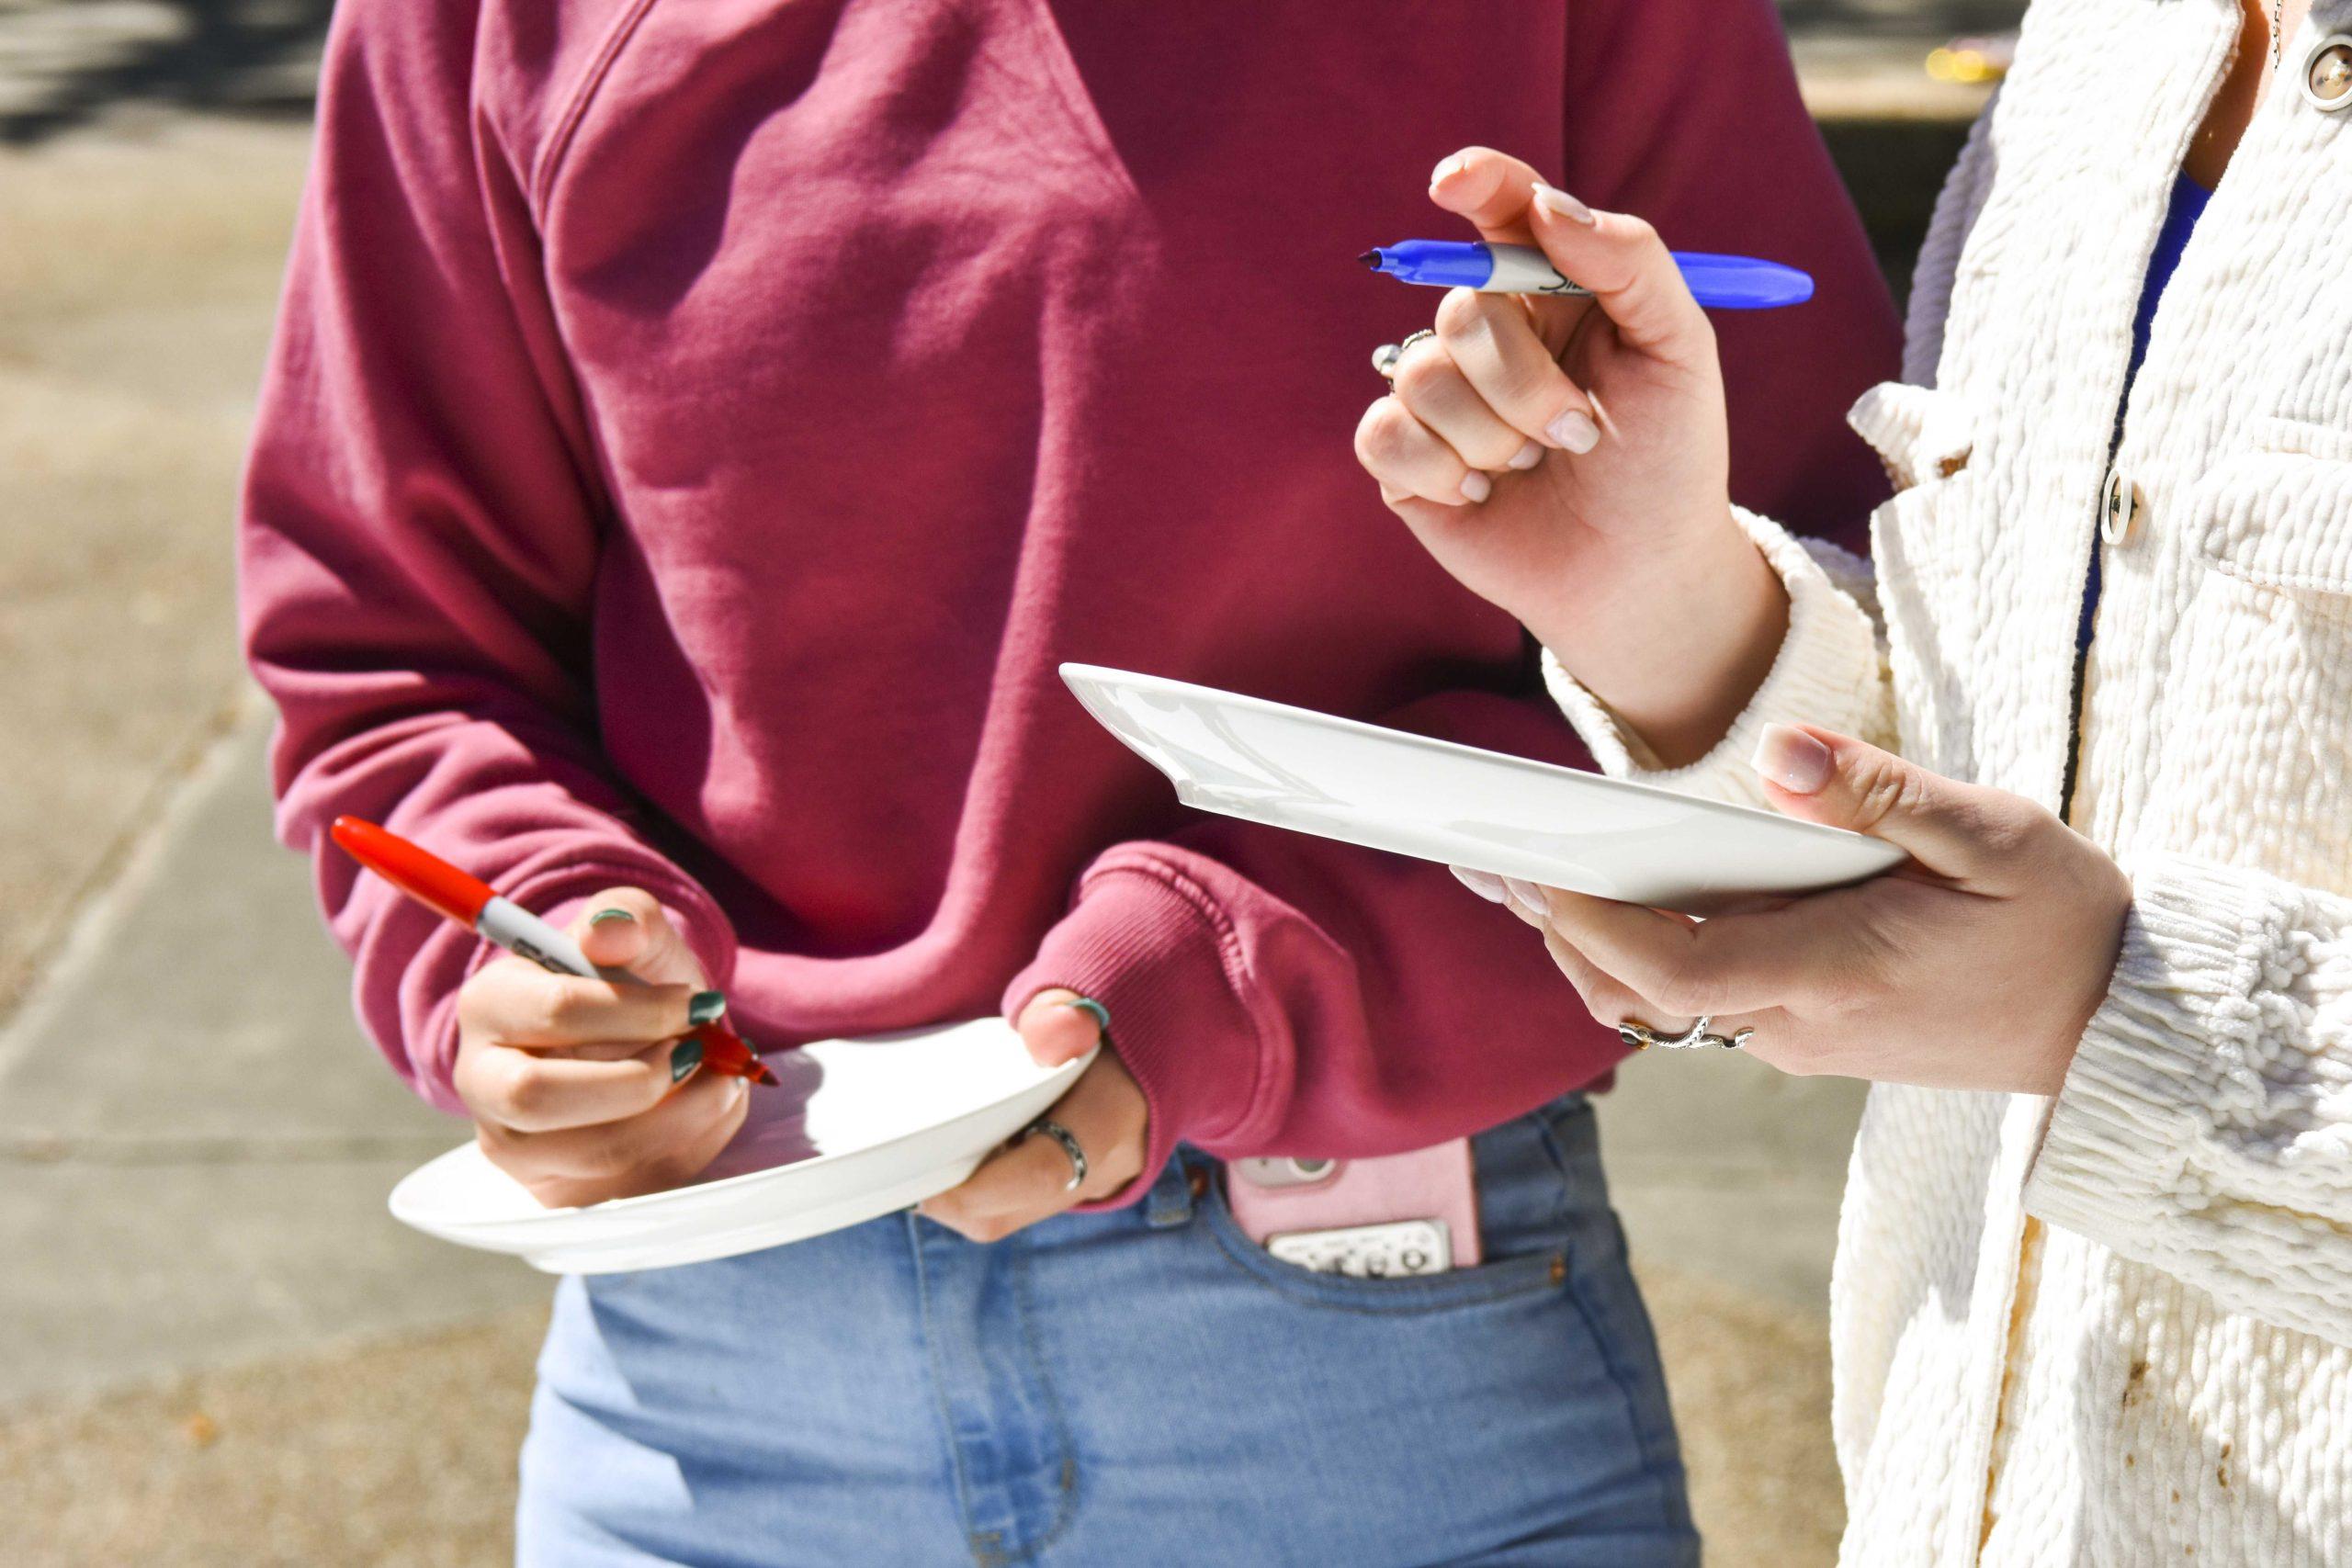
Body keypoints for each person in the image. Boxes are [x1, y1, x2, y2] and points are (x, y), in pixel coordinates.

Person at [239, 1, 1895, 1561]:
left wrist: (1237, 983)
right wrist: (526, 952)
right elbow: (392, 652)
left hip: (1377, 1374)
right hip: (710, 1374)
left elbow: (1820, 659)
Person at [1357, 2, 2352, 1562]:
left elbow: (2070, 966)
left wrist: (2121, 1014)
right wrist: (1669, 609)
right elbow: (2003, 736)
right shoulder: (2104, 46)